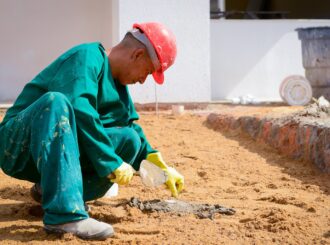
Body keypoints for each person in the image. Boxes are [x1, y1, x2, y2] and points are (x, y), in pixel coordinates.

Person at [0, 22, 184, 240]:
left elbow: (130, 129)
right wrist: (109, 161)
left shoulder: (119, 89)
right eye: (148, 71)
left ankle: (49, 191)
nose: (143, 80)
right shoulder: (87, 57)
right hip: (18, 143)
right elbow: (79, 108)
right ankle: (65, 216)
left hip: (51, 151)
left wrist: (155, 162)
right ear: (138, 54)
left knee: (129, 140)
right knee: (57, 102)